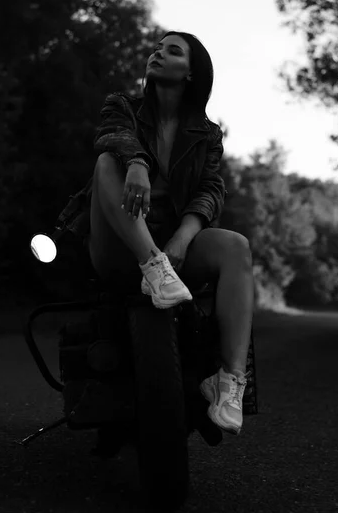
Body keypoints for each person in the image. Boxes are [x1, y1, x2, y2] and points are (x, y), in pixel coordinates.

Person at [88, 31, 254, 436]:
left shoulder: (207, 134)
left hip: (173, 247)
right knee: (107, 162)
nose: (157, 54)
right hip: (119, 244)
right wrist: (138, 164)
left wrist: (181, 240)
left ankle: (229, 381)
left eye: (172, 51)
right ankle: (152, 264)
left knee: (237, 247)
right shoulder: (122, 106)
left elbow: (211, 189)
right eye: (157, 48)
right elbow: (113, 136)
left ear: (192, 73)